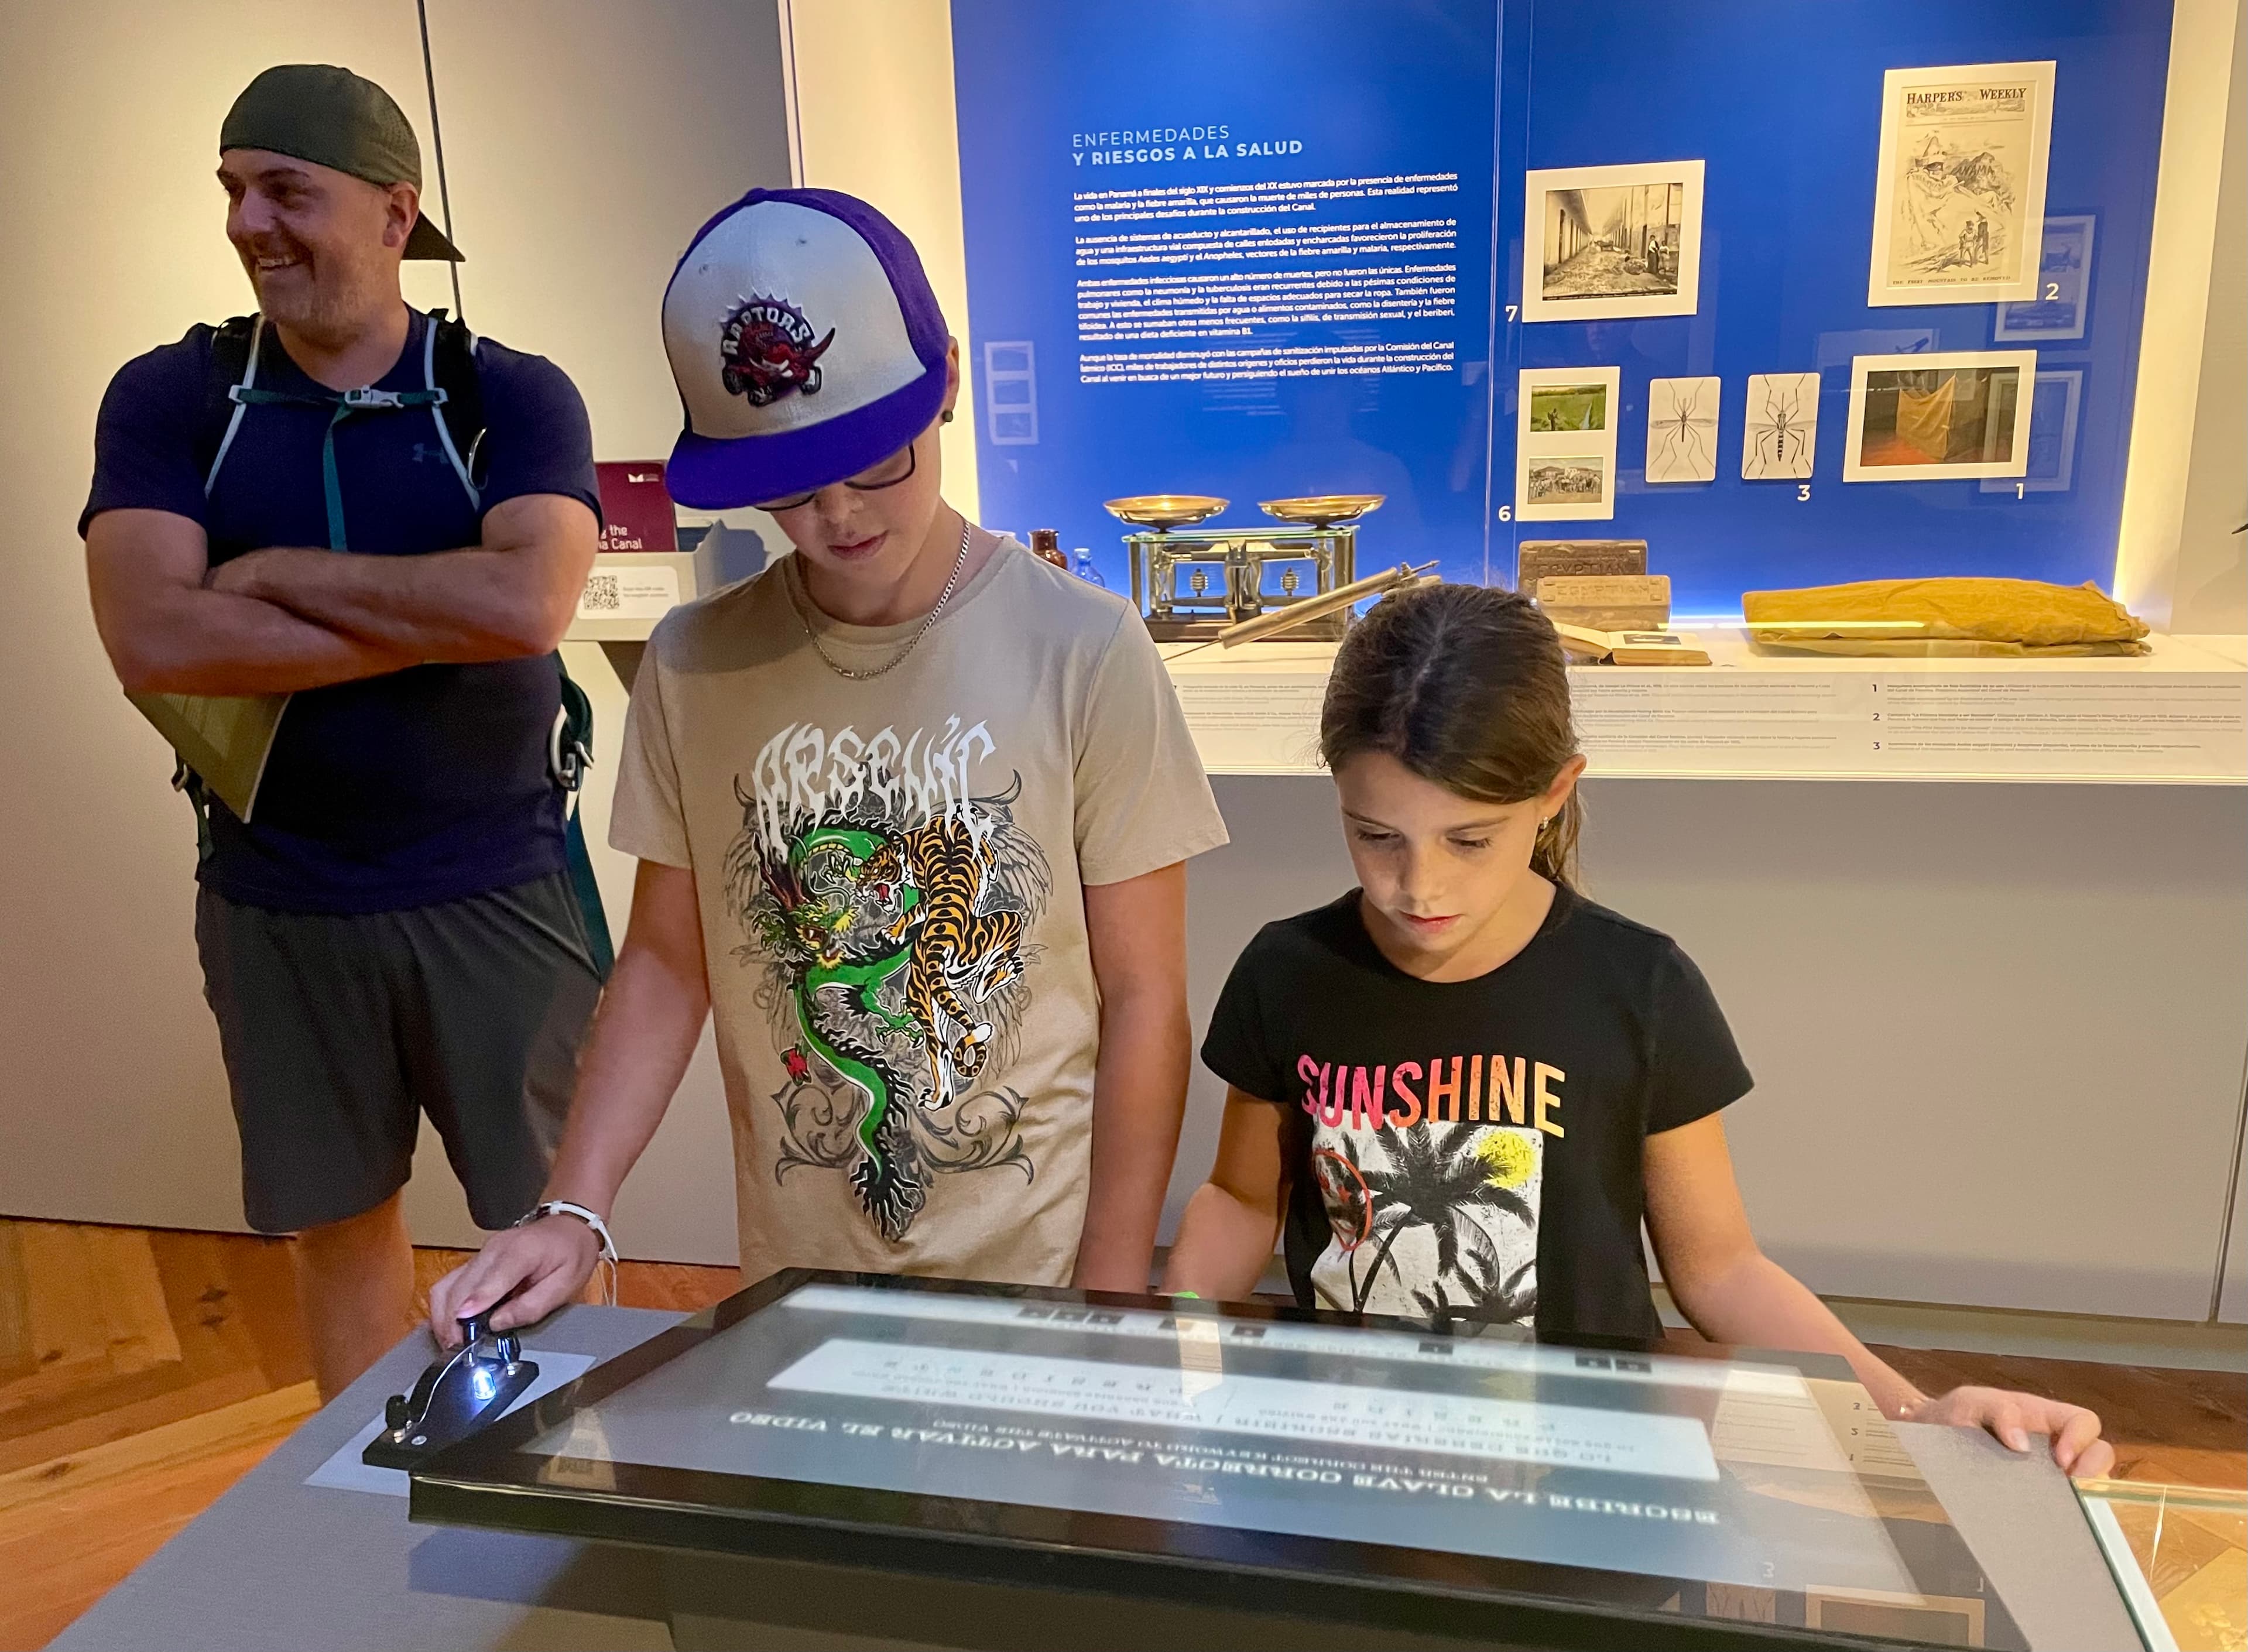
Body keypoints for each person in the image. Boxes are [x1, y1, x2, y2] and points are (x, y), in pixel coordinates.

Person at [429, 188, 1229, 1339]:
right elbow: (666, 959)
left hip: (1035, 1271)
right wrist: (576, 1203)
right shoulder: (696, 661)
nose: (840, 515)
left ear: (946, 380)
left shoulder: (1086, 650)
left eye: (876, 462)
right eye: (791, 488)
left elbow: (1145, 995)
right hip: (799, 1278)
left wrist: (1111, 1287)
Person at [1161, 582, 2116, 1479]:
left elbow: (1721, 1269)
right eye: (1376, 835)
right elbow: (1242, 1199)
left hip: (1585, 1471)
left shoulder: (1639, 987)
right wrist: (1169, 1345)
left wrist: (1915, 1410)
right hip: (1345, 1453)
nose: (1420, 886)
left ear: (1554, 792)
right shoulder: (1288, 973)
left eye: (1470, 838)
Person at [81, 65, 604, 1399]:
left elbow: (532, 601)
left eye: (287, 190)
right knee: (341, 1221)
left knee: (553, 1219)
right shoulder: (171, 398)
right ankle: (365, 1518)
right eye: (233, 191)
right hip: (277, 895)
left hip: (501, 887)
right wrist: (454, 613)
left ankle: (571, 1501)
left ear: (393, 211)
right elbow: (153, 639)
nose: (251, 222)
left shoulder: (506, 393)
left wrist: (271, 575)